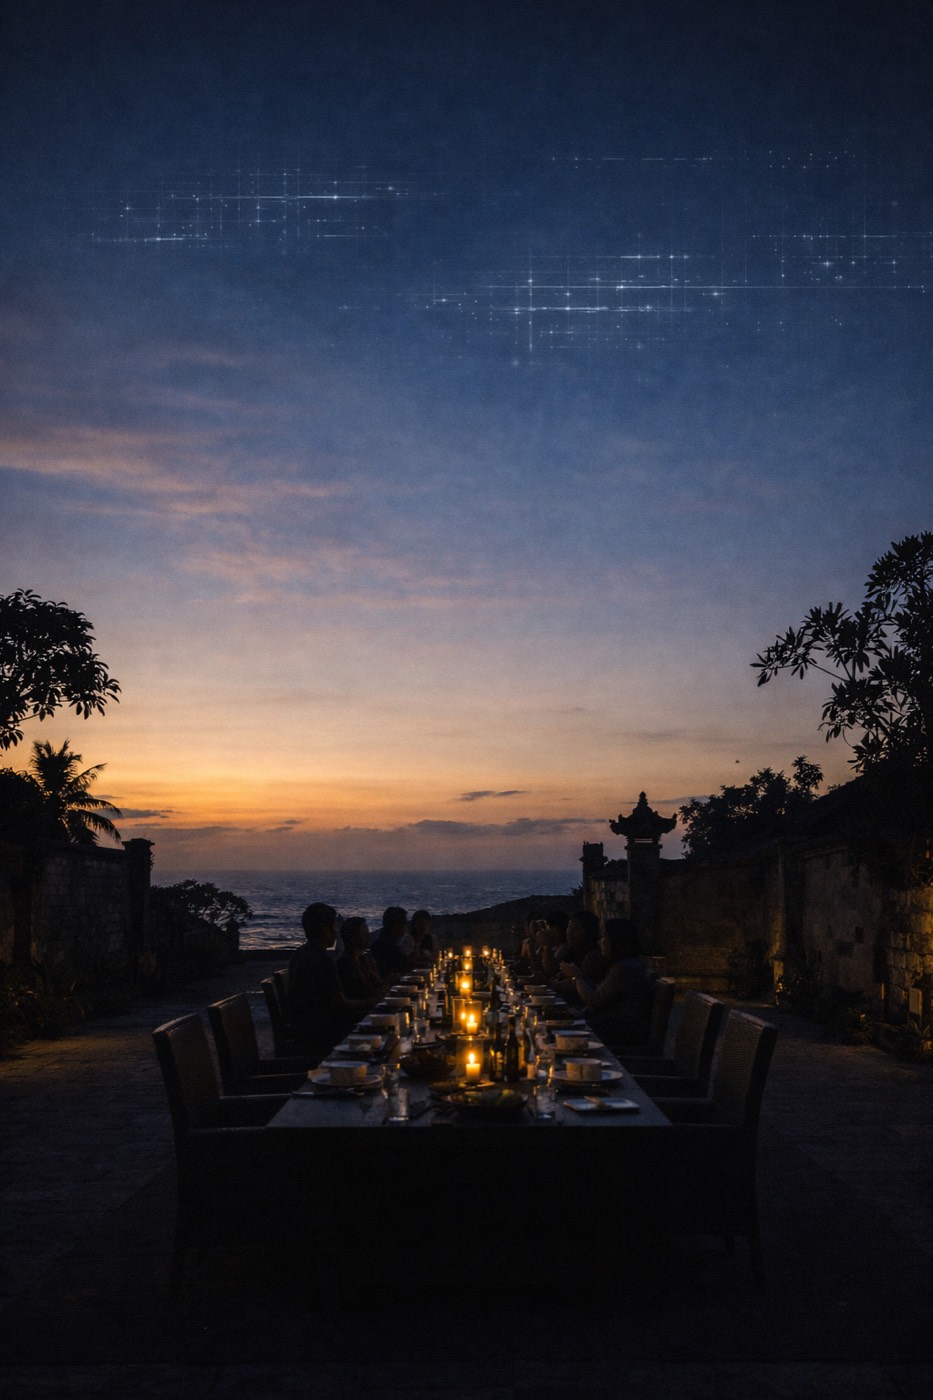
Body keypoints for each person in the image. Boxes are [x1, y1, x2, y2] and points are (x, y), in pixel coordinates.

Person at [288, 902, 379, 1059]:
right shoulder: (322, 961)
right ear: (323, 930)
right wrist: (372, 1002)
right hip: (323, 1037)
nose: (335, 933)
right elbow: (340, 1004)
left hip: (305, 1032)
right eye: (332, 928)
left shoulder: (300, 955)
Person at [558, 917, 657, 1046]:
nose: (600, 943)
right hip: (614, 1029)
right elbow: (601, 995)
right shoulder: (627, 966)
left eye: (604, 937)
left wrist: (576, 976)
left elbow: (594, 1000)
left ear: (616, 941)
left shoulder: (624, 969)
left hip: (621, 1038)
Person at [336, 916, 385, 999]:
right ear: (351, 937)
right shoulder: (345, 963)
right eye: (364, 933)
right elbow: (357, 994)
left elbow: (378, 982)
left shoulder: (362, 959)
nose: (368, 936)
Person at [370, 905, 412, 980]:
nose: (406, 927)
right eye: (405, 923)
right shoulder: (386, 946)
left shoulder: (382, 942)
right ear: (396, 925)